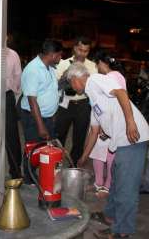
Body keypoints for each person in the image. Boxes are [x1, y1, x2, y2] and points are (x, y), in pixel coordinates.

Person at [66, 62, 149, 239]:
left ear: (75, 79)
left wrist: (130, 122)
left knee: (126, 188)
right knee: (116, 179)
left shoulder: (95, 80)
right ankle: (110, 216)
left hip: (133, 138)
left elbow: (121, 93)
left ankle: (123, 231)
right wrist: (83, 158)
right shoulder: (93, 98)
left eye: (70, 83)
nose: (71, 87)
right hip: (120, 142)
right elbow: (94, 132)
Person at [77, 50, 126, 199]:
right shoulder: (106, 76)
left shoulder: (114, 76)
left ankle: (108, 185)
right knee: (98, 151)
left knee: (111, 153)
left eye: (97, 65)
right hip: (102, 120)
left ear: (102, 63)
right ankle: (99, 182)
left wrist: (107, 125)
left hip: (112, 122)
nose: (97, 69)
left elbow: (117, 99)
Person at [20, 39, 63, 184]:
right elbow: (32, 101)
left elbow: (50, 91)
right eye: (59, 55)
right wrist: (41, 126)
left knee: (44, 151)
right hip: (34, 118)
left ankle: (39, 178)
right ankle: (29, 181)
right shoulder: (33, 70)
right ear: (52, 55)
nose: (60, 58)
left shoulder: (49, 67)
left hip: (46, 117)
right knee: (33, 151)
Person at [55, 36, 97, 166]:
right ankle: (56, 164)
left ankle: (74, 167)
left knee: (79, 139)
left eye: (86, 51)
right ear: (74, 48)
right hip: (65, 104)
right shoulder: (63, 63)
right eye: (80, 49)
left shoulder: (92, 66)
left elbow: (94, 88)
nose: (82, 53)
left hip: (83, 105)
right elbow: (55, 85)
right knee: (59, 136)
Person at [4, 38, 23, 179]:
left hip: (6, 96)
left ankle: (15, 171)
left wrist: (14, 95)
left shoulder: (13, 54)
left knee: (11, 135)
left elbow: (18, 77)